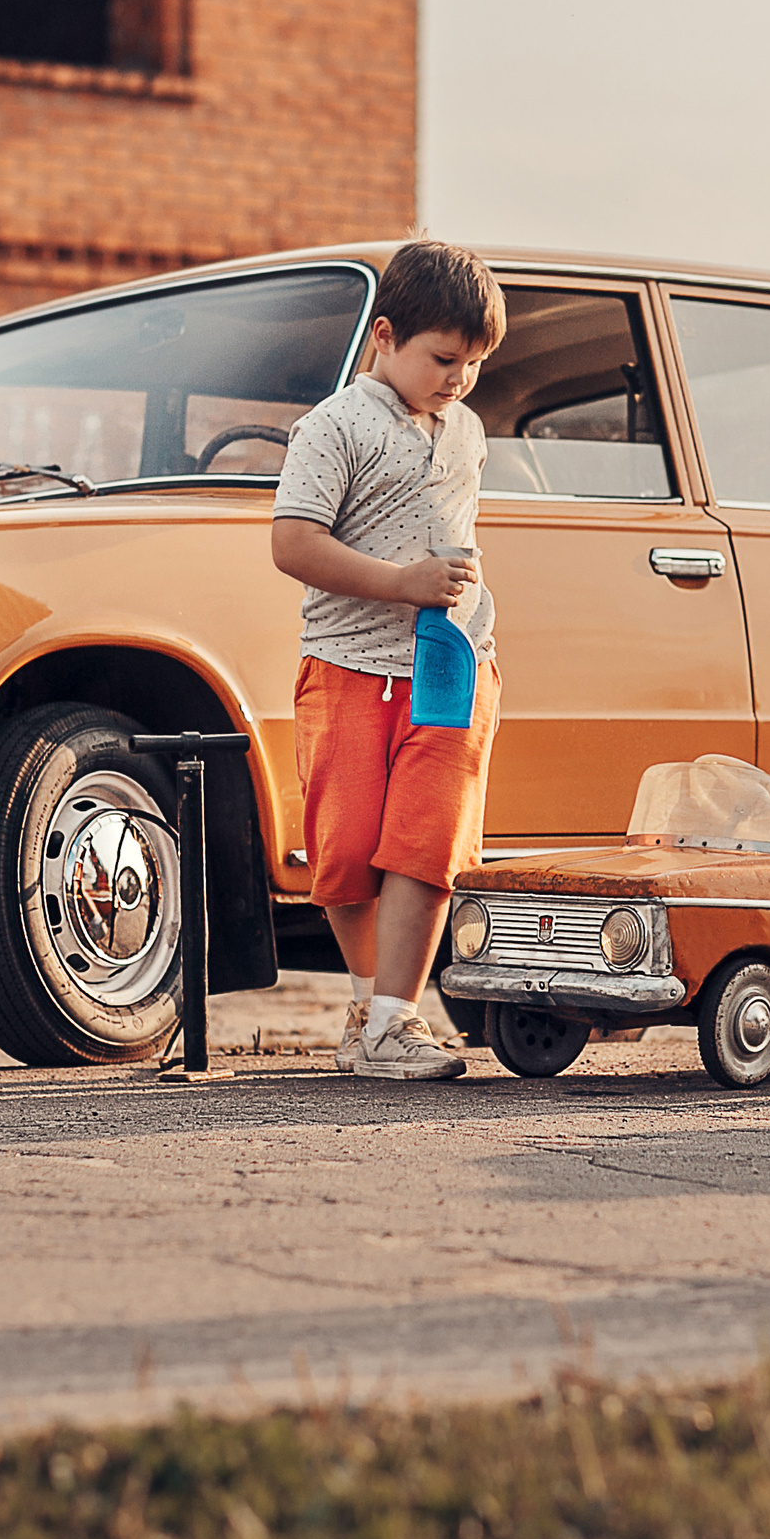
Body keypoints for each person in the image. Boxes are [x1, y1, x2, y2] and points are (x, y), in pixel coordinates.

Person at [270, 241, 507, 1079]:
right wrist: (400, 581)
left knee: (427, 840)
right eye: (444, 359)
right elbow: (293, 543)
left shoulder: (468, 430)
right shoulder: (334, 426)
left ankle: (396, 1021)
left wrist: (452, 602)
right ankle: (370, 1008)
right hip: (346, 665)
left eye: (474, 364)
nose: (458, 379)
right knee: (345, 852)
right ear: (385, 336)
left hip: (448, 663)